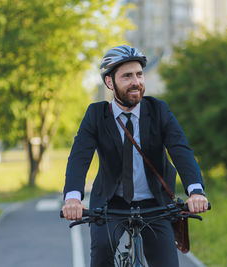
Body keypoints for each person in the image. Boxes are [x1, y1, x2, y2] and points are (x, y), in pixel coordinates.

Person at [62, 45, 208, 267]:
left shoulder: (159, 110)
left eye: (139, 74)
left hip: (155, 203)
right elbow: (79, 157)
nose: (136, 82)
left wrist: (196, 191)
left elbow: (180, 150)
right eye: (127, 76)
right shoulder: (96, 115)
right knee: (101, 255)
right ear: (110, 82)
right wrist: (73, 198)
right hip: (111, 205)